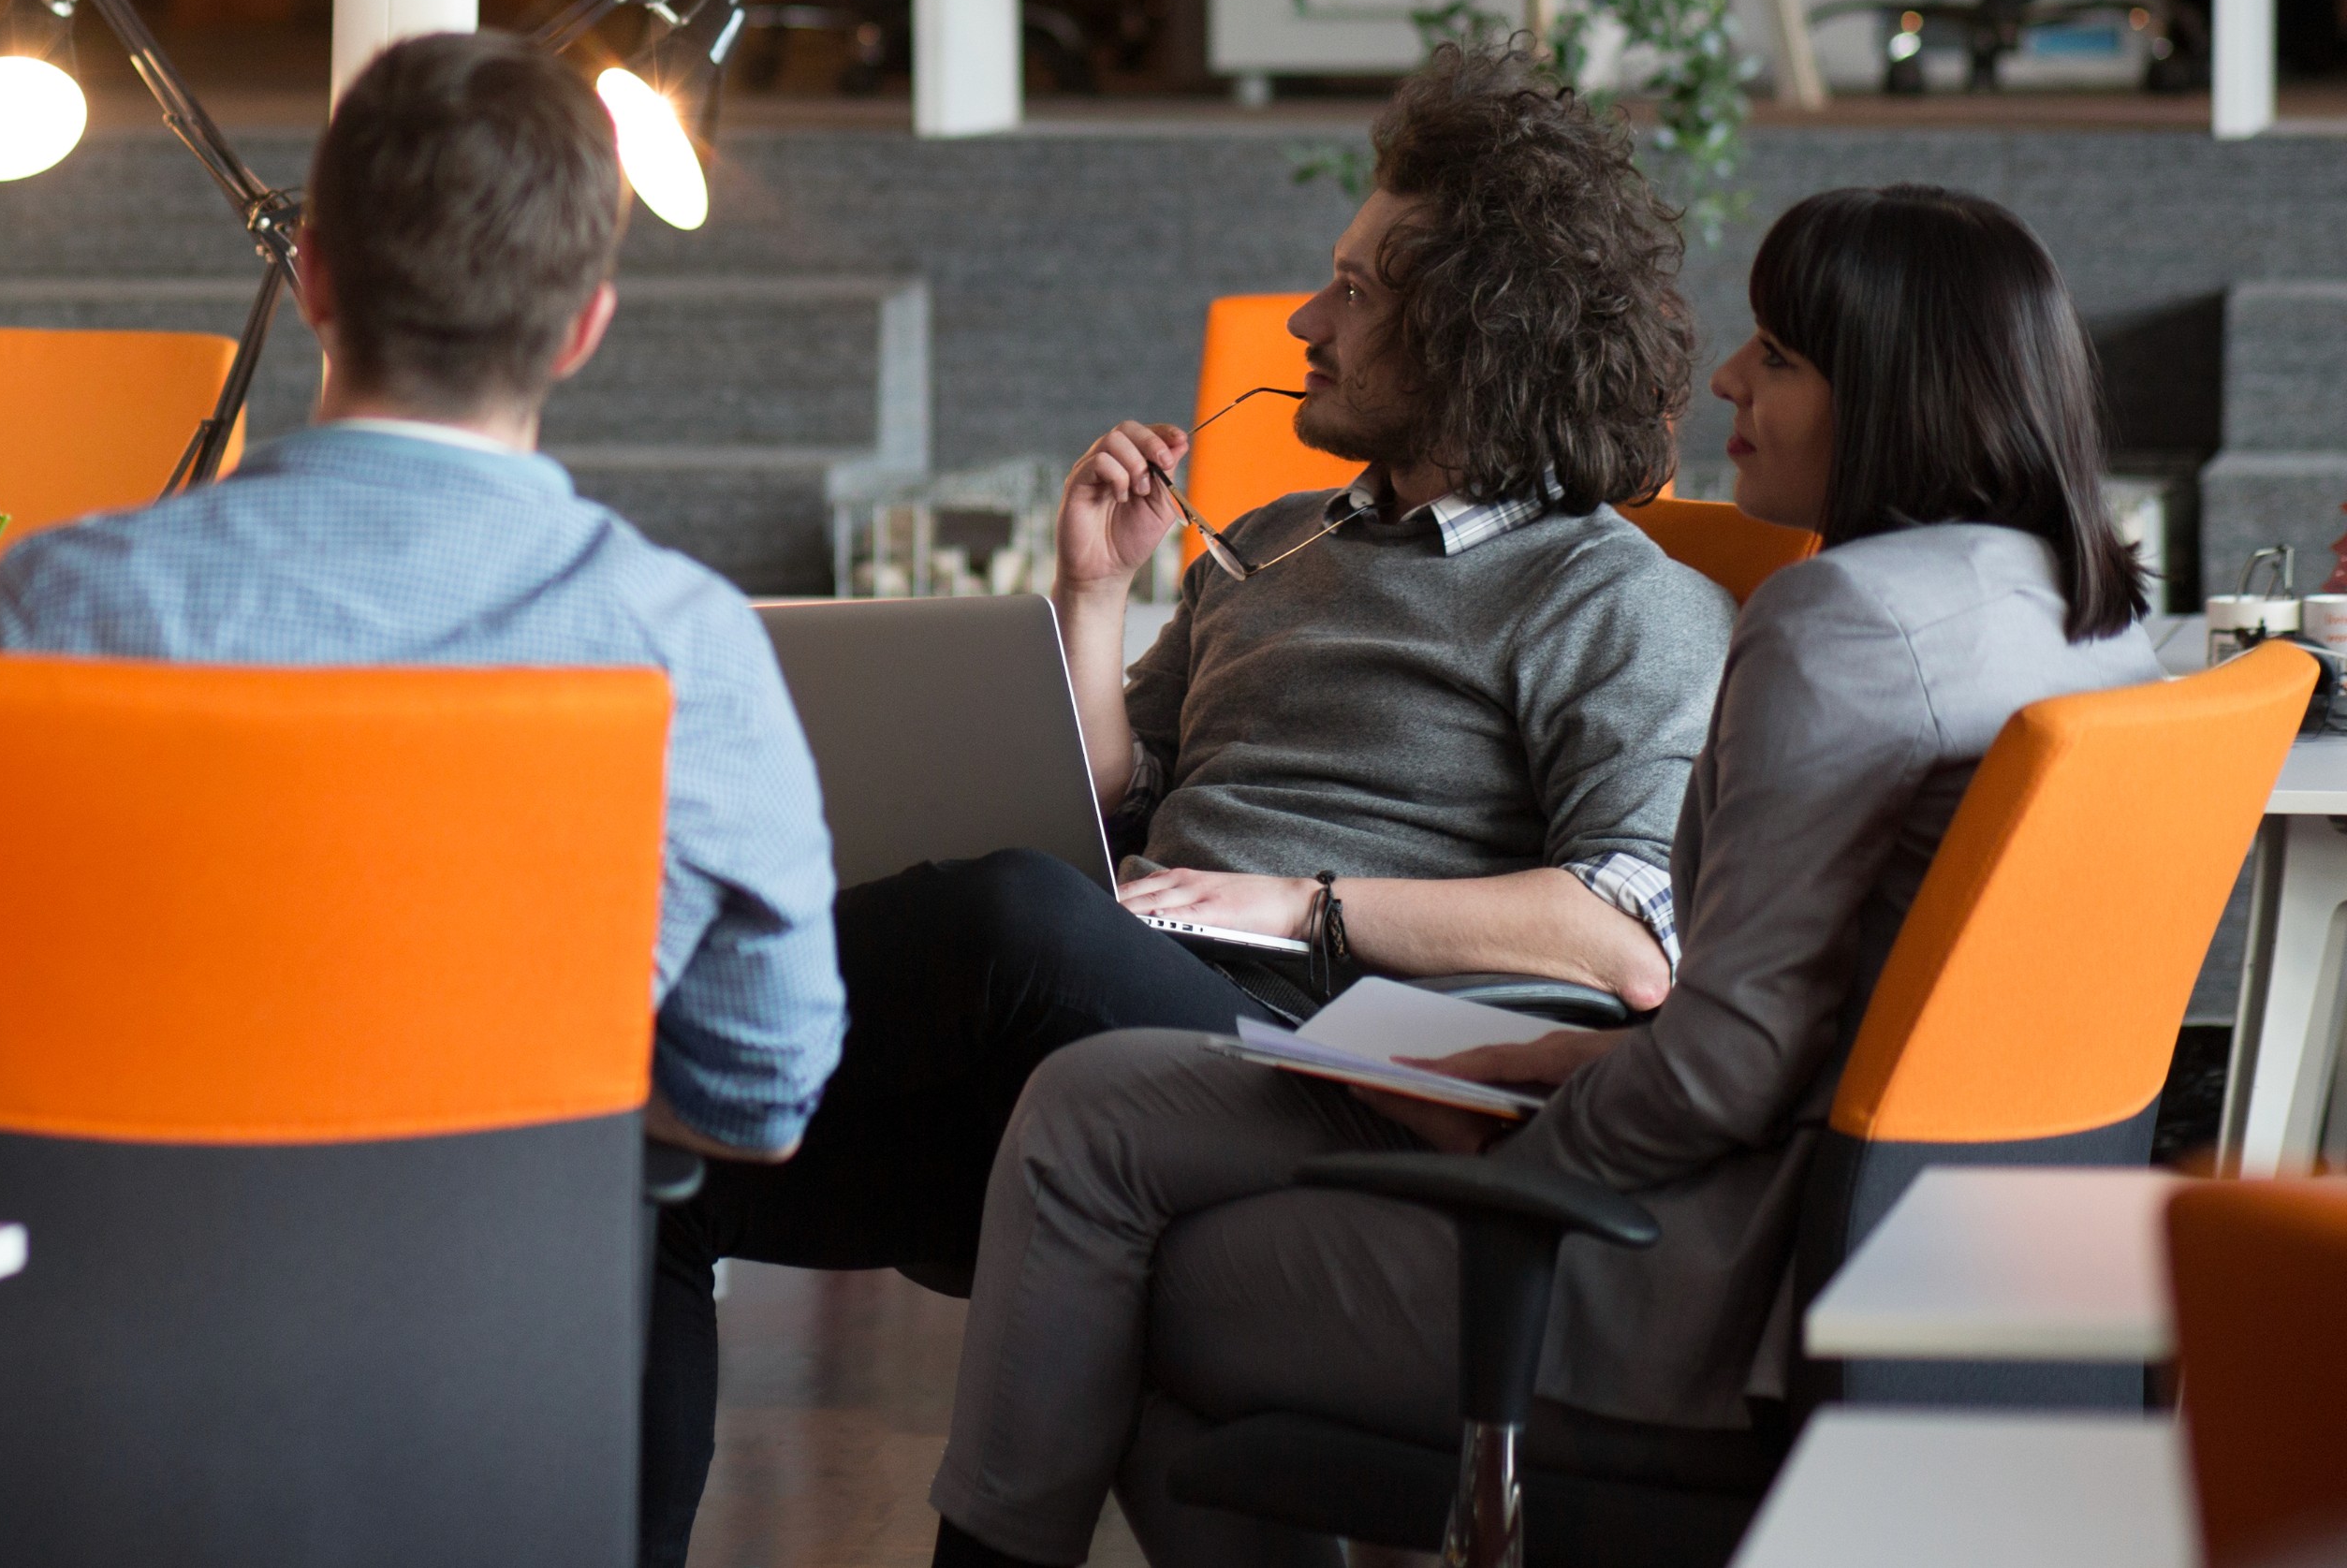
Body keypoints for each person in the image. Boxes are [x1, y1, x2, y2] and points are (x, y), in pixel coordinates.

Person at [924, 184, 2163, 1568]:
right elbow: (1801, 1020)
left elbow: (1721, 1056)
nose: (1731, 377)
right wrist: (1546, 1064)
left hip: (1702, 1279)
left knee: (1121, 1258)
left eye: (1785, 355)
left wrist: (1510, 1135)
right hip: (1970, 1280)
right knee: (1094, 1105)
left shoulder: (1835, 621)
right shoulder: (2085, 615)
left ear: (1906, 392)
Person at [643, 42, 1734, 1560]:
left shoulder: (1616, 596)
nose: (1305, 319)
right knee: (666, 1168)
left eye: (1355, 290)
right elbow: (1111, 794)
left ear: (1478, 332)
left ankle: (601, 1011)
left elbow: (1623, 931)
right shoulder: (1284, 541)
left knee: (1018, 914)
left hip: (1305, 1059)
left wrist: (1307, 905)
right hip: (1103, 1016)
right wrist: (1090, 600)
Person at [0, 25, 845, 1247]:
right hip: (495, 1375)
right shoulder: (687, 651)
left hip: (69, 1356)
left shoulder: (62, 605)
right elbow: (764, 1095)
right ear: (583, 327)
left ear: (314, 277)